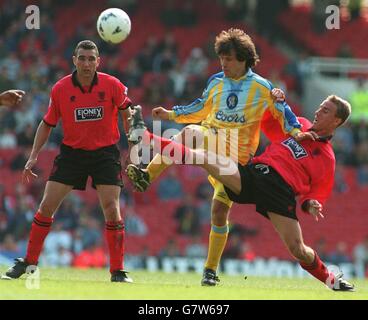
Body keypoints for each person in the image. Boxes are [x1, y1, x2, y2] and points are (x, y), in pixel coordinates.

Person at [126, 28, 314, 286]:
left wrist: (297, 132)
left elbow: (284, 112)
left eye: (229, 59)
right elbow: (200, 108)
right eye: (221, 58)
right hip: (210, 137)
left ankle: (210, 271)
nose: (223, 63)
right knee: (191, 132)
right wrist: (170, 115)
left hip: (236, 157)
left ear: (244, 59)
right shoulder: (216, 81)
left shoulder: (262, 87)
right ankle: (146, 176)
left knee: (218, 212)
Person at [126, 91, 355, 291]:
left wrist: (311, 203)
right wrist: (275, 101)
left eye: (325, 110)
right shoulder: (300, 125)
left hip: (279, 192)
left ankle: (330, 279)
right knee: (203, 158)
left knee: (298, 250)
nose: (318, 111)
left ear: (336, 120)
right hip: (255, 173)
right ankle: (146, 137)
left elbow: (317, 192)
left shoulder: (326, 158)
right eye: (320, 107)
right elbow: (267, 119)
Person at [1, 40, 133, 283]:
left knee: (112, 209)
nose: (86, 63)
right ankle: (29, 262)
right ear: (74, 60)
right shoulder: (60, 89)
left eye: (91, 59)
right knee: (46, 206)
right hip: (72, 154)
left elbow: (128, 113)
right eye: (82, 58)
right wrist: (33, 156)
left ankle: (118, 271)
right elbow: (47, 123)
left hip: (106, 154)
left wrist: (133, 147)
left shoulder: (112, 85)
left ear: (98, 62)